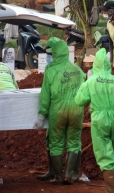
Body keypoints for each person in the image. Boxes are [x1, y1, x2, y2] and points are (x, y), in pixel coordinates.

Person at [75, 48, 114, 193]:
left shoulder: (91, 81)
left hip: (100, 117)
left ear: (96, 65)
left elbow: (79, 100)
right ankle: (112, 192)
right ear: (108, 64)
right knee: (112, 152)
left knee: (104, 153)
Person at [33, 38, 85, 184]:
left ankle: (57, 176)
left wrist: (41, 115)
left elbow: (45, 95)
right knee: (74, 142)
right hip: (76, 108)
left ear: (54, 53)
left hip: (58, 109)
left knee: (55, 142)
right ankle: (70, 175)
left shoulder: (51, 70)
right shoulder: (77, 69)